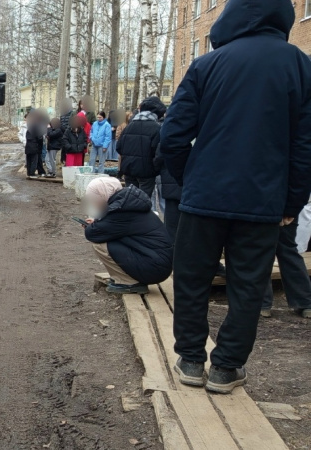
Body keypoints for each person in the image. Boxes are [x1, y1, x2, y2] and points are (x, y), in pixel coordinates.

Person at [160, 0, 311, 394]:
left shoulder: (207, 65)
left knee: (192, 278)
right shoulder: (301, 66)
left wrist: (191, 179)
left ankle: (191, 360)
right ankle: (226, 368)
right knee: (248, 286)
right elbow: (305, 147)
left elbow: (172, 136)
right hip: (263, 201)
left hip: (204, 196)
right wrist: (292, 203)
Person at [83, 178, 173, 294]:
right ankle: (127, 277)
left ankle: (129, 283)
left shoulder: (120, 210)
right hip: (158, 263)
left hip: (155, 269)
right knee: (107, 239)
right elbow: (110, 227)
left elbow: (92, 234)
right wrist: (96, 223)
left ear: (103, 195)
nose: (94, 202)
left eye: (95, 198)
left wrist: (93, 226)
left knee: (99, 245)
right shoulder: (127, 203)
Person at [260, 220, 311, 319]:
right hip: (287, 213)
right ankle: (305, 302)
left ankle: (261, 304)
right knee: (288, 249)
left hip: (262, 213)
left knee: (261, 251)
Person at [118, 97, 165, 198]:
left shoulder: (129, 127)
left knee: (130, 200)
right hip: (147, 172)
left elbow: (119, 147)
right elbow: (158, 152)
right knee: (144, 201)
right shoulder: (156, 128)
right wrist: (155, 169)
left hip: (129, 169)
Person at [23, 111, 46, 179]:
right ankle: (32, 173)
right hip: (34, 146)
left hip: (28, 146)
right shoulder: (36, 126)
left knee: (29, 160)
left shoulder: (29, 127)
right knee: (34, 161)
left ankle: (29, 173)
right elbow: (39, 137)